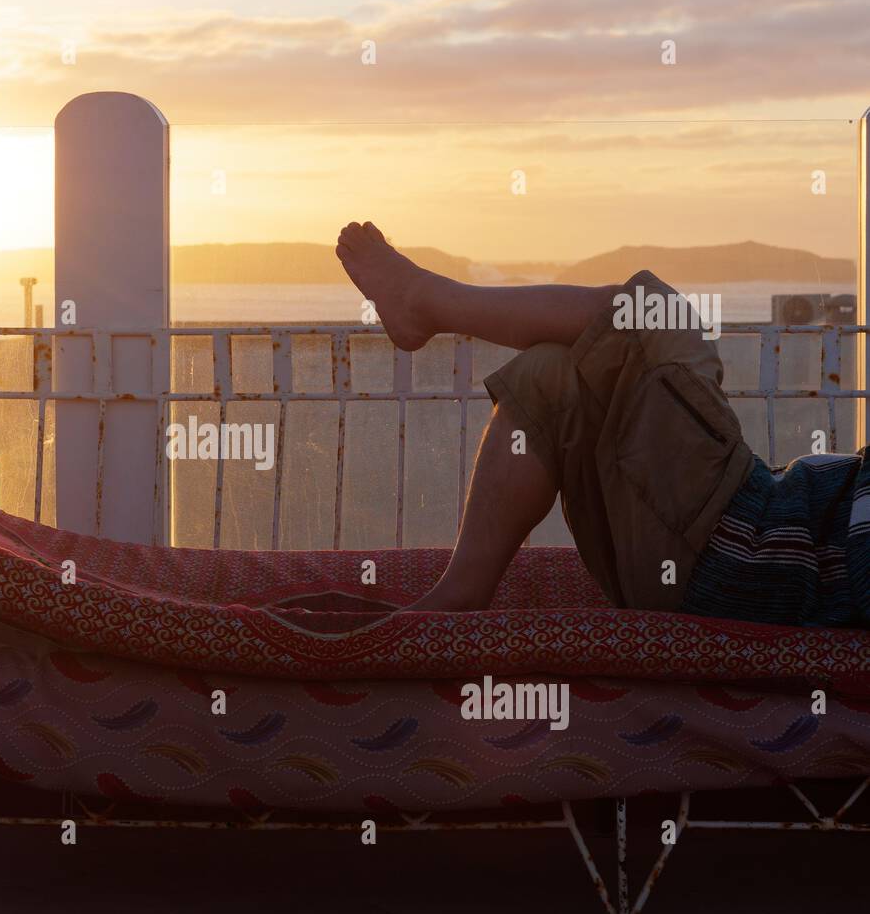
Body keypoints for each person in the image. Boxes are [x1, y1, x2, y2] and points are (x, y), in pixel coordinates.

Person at [335, 221, 869, 626]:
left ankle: (426, 301)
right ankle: (461, 592)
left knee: (652, 314)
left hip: (739, 548)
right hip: (736, 539)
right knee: (554, 377)